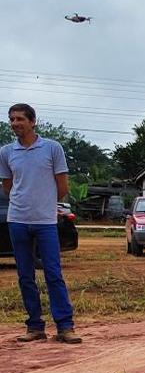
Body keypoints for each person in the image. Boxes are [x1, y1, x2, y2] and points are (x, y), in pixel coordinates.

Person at [0, 103, 81, 344]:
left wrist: (44, 204)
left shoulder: (52, 148)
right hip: (17, 220)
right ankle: (35, 327)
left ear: (33, 121)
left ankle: (65, 327)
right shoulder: (6, 152)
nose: (15, 123)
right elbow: (7, 186)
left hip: (45, 222)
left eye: (20, 119)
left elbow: (62, 186)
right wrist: (24, 201)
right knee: (25, 275)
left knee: (53, 274)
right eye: (12, 119)